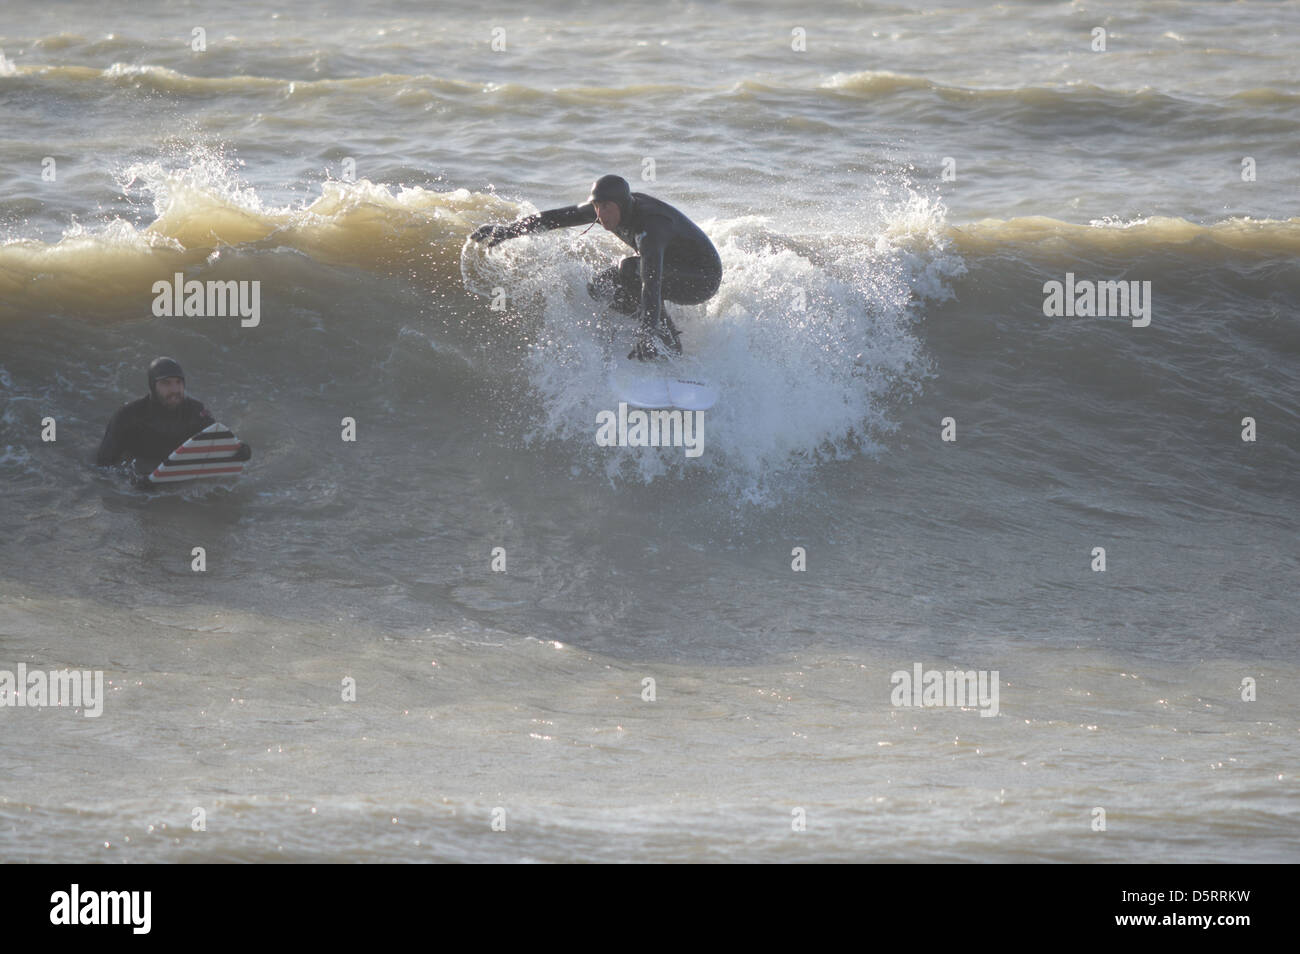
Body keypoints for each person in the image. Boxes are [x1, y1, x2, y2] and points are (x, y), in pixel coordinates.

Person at [470, 175, 722, 361]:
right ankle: (651, 323)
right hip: (671, 269)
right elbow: (556, 217)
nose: (601, 216)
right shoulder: (606, 209)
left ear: (622, 206)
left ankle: (668, 342)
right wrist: (505, 231)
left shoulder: (652, 228)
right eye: (597, 208)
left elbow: (651, 281)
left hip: (702, 279)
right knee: (600, 288)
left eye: (607, 208)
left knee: (630, 269)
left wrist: (648, 333)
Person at [95, 357, 251, 479]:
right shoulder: (128, 415)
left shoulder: (196, 411)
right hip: (139, 469)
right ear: (152, 386)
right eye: (166, 383)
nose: (175, 389)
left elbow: (216, 441)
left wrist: (239, 449)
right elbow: (103, 464)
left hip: (175, 472)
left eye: (179, 382)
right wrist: (129, 482)